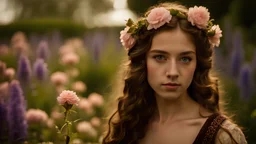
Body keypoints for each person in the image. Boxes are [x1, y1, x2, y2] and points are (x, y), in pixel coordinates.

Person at [103, 2, 247, 144]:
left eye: (185, 59)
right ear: (143, 62)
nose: (173, 72)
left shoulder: (221, 136)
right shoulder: (128, 127)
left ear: (197, 64)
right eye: (160, 57)